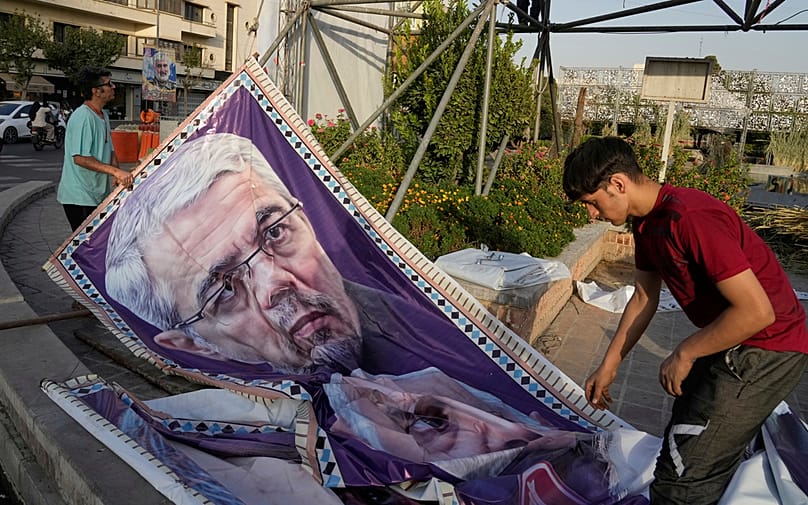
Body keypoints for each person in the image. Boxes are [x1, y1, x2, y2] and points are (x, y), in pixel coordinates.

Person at [561, 136, 808, 505]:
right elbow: (644, 296)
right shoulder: (647, 225)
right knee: (680, 448)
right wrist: (609, 364)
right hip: (733, 337)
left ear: (617, 184)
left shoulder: (688, 218)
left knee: (684, 479)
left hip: (768, 347)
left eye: (592, 203)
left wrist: (686, 351)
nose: (591, 215)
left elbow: (758, 312)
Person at [106, 132, 369, 375]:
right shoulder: (249, 415)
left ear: (304, 220)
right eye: (225, 289)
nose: (275, 285)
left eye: (275, 232)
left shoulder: (407, 310)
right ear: (193, 344)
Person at [57, 67, 133, 231]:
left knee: (97, 245)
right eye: (108, 84)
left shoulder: (102, 115)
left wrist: (117, 171)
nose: (113, 87)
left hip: (96, 194)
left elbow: (110, 148)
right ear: (96, 91)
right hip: (80, 196)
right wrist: (115, 172)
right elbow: (80, 158)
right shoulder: (83, 117)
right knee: (87, 247)